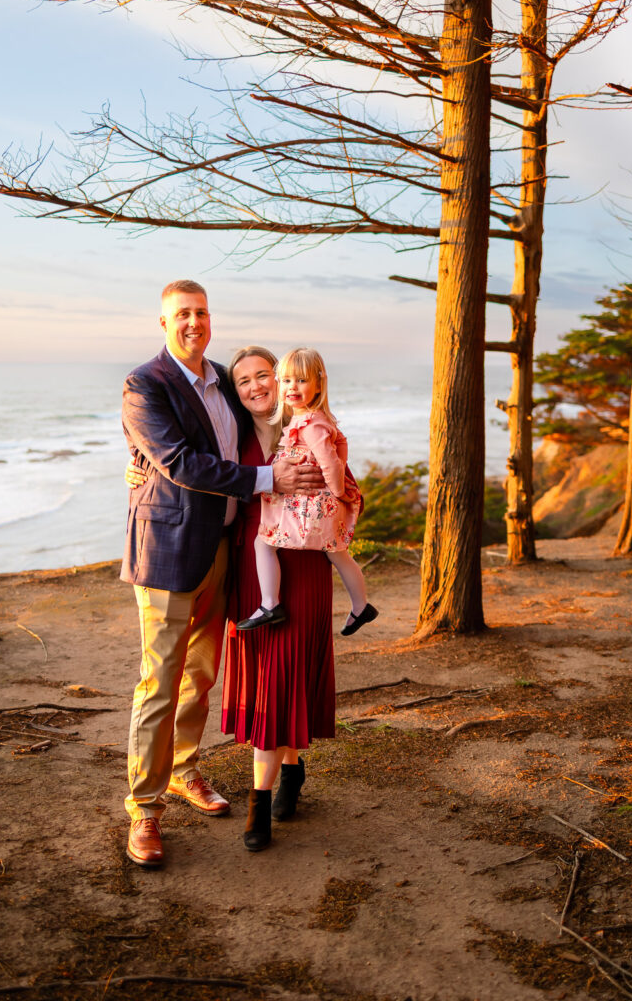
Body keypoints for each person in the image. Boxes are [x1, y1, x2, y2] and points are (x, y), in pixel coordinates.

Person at [121, 282, 323, 869]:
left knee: (202, 674)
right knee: (160, 681)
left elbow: (264, 426)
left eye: (202, 312)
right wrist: (268, 483)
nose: (193, 322)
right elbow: (177, 460)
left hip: (225, 551)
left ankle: (184, 769)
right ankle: (144, 811)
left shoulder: (223, 382)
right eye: (182, 314)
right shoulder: (145, 383)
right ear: (161, 321)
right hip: (168, 552)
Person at [221, 347, 339, 851]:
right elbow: (189, 466)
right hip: (253, 562)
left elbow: (340, 479)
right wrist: (136, 466)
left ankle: (260, 806)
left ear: (281, 377)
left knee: (285, 673)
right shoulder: (229, 433)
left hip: (305, 562)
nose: (256, 386)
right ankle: (289, 773)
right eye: (243, 380)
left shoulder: (307, 422)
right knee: (268, 676)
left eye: (263, 375)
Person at [237, 347, 378, 638]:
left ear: (318, 384)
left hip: (310, 505)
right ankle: (360, 605)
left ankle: (269, 603)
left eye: (301, 381)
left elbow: (330, 462)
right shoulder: (318, 420)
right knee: (339, 554)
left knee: (264, 544)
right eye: (287, 381)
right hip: (320, 503)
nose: (292, 388)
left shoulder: (309, 424)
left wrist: (339, 492)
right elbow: (342, 451)